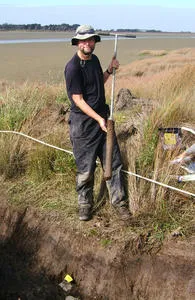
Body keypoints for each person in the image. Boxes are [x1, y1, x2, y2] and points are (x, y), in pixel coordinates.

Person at [64, 24, 131, 221]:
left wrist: (109, 71)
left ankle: (119, 203)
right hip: (83, 125)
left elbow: (97, 83)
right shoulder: (73, 67)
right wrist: (99, 119)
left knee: (114, 163)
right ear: (77, 42)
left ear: (94, 42)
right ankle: (85, 204)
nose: (87, 43)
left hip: (103, 122)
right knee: (86, 168)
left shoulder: (94, 60)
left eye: (90, 39)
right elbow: (78, 99)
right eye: (83, 40)